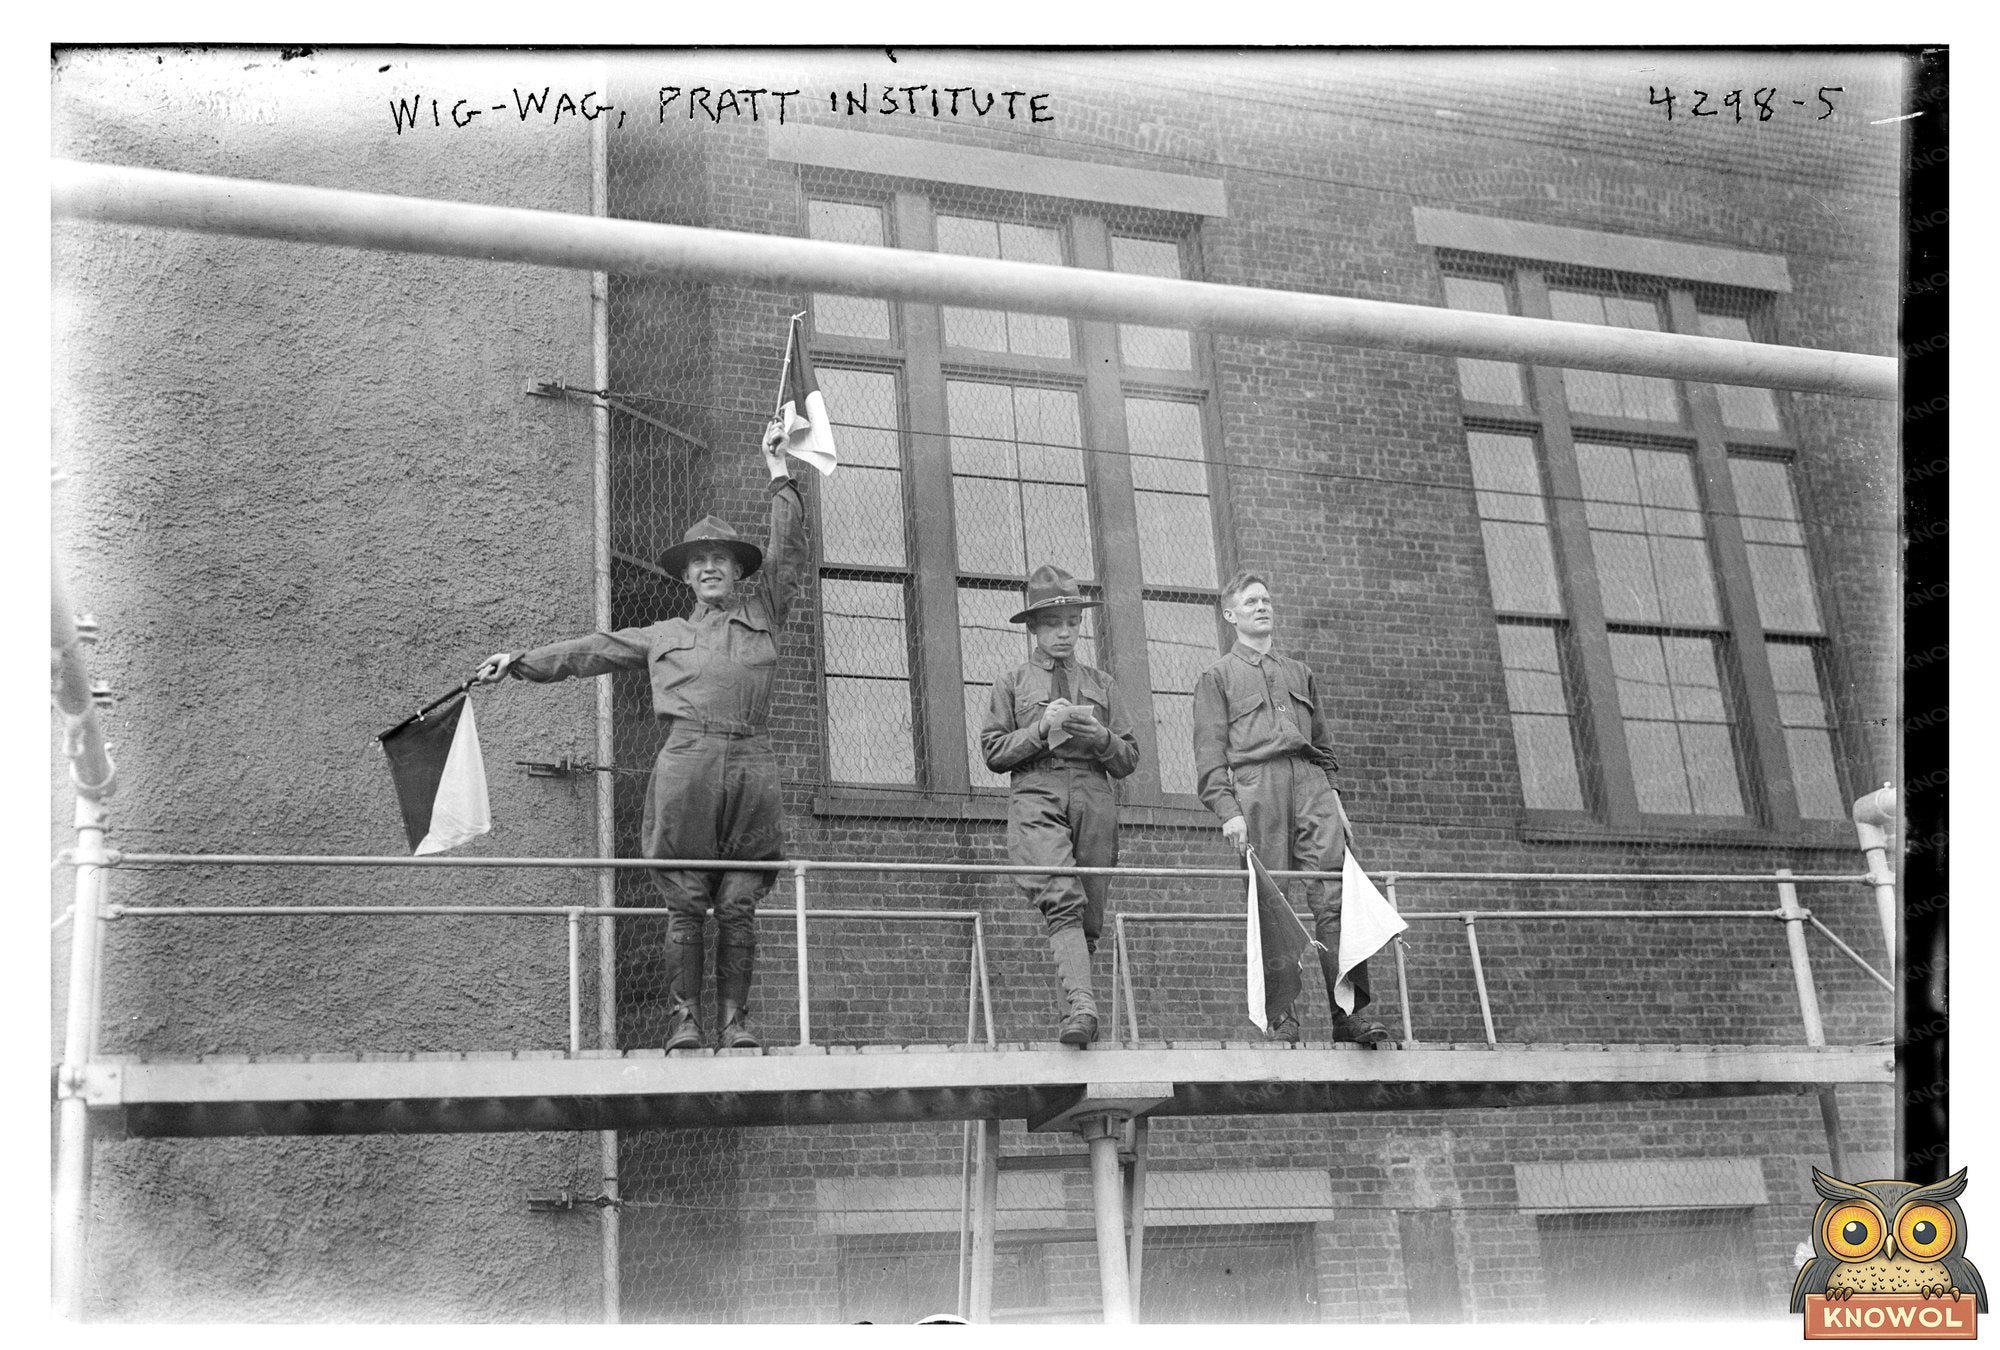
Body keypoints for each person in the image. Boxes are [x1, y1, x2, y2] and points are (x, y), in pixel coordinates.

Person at [473, 423, 805, 1051]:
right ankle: (685, 1021)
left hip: (752, 764)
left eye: (722, 561)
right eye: (699, 562)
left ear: (738, 573)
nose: (710, 568)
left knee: (738, 901)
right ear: (688, 577)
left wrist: (779, 470)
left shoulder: (765, 615)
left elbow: (787, 550)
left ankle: (734, 1024)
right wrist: (518, 660)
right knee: (685, 898)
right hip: (687, 761)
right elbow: (592, 650)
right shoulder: (662, 634)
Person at [1191, 571, 1390, 1045]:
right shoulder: (1217, 677)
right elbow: (1209, 753)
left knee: (1335, 899)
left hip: (1312, 785)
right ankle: (1284, 1019)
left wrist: (1335, 799)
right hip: (1257, 788)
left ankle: (1350, 1015)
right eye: (1251, 601)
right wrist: (1228, 810)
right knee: (1270, 900)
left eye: (1266, 600)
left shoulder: (1299, 673)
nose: (1262, 607)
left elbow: (1322, 743)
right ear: (1230, 614)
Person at [979, 565, 1140, 1047]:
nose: (1065, 632)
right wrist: (1038, 731)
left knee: (1087, 914)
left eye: (1072, 621)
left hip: (1093, 794)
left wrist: (1103, 737)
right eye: (1054, 624)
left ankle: (1076, 1019)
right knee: (1061, 897)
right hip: (1037, 791)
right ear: (1033, 627)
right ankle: (1084, 1009)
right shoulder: (1011, 683)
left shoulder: (1103, 683)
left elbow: (1129, 758)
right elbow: (992, 753)